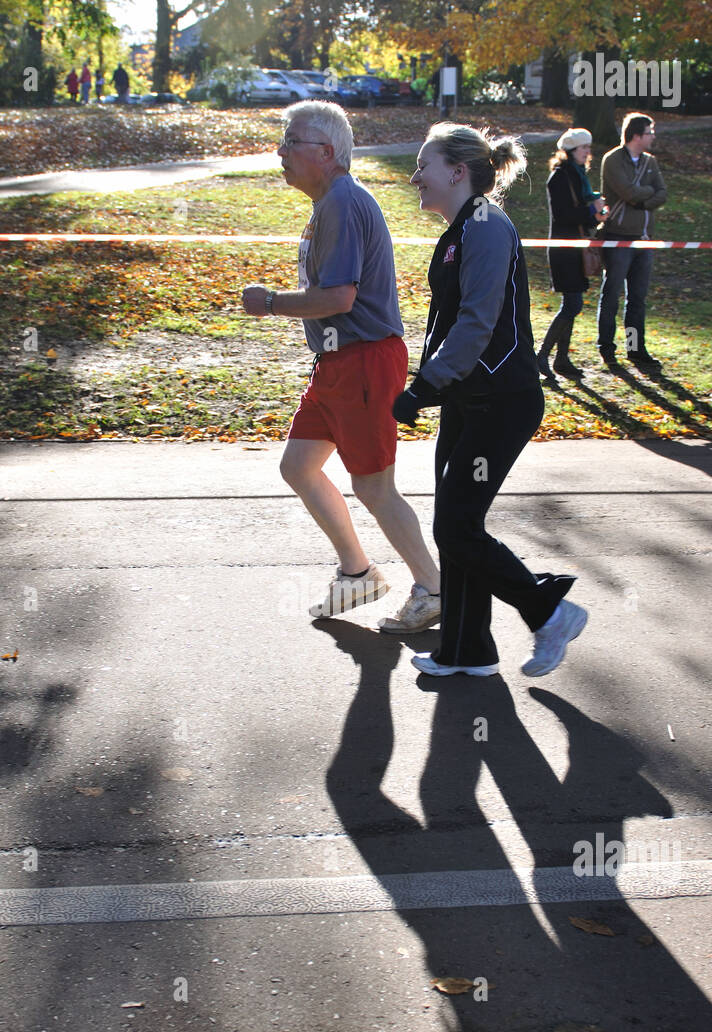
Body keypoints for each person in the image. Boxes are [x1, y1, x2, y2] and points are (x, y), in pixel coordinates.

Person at [392, 123, 587, 678]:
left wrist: (426, 385)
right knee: (458, 525)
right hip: (467, 400)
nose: (415, 176)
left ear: (457, 171)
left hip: (503, 401)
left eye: (423, 164)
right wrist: (430, 385)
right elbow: (449, 324)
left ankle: (549, 610)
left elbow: (477, 323)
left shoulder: (486, 225)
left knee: (455, 527)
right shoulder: (461, 228)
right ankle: (467, 651)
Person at [241, 101, 441, 630]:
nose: (281, 151)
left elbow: (340, 297)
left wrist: (270, 302)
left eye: (292, 141)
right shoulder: (330, 202)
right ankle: (358, 574)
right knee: (298, 467)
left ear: (326, 152)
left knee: (374, 486)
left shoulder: (343, 203)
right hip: (336, 361)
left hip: (365, 361)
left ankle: (434, 589)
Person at [597, 113, 667, 372]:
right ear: (636, 135)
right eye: (649, 132)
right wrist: (643, 196)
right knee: (612, 294)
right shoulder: (612, 160)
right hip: (617, 237)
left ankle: (635, 349)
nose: (652, 136)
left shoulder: (650, 162)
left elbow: (662, 194)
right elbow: (626, 191)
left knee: (637, 298)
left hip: (643, 239)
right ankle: (606, 348)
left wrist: (641, 198)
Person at [537, 127, 607, 381]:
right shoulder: (559, 177)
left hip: (577, 246)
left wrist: (596, 214)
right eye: (583, 148)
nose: (588, 152)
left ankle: (561, 359)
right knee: (573, 303)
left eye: (588, 147)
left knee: (573, 304)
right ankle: (543, 355)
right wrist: (591, 212)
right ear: (570, 151)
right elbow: (563, 215)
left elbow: (581, 212)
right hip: (564, 248)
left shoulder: (579, 176)